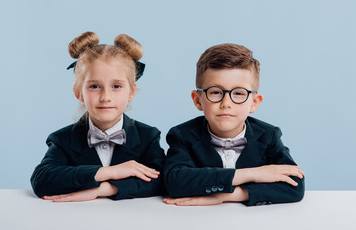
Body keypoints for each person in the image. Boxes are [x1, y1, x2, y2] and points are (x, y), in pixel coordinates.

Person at [163, 43, 305, 206]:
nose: (226, 103)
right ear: (197, 100)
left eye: (238, 93)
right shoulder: (182, 135)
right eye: (216, 92)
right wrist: (252, 174)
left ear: (254, 102)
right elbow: (176, 181)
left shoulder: (268, 135)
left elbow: (295, 185)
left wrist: (226, 196)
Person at [31, 32, 165, 202]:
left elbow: (163, 180)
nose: (105, 97)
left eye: (116, 86)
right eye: (94, 86)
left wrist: (105, 189)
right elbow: (41, 179)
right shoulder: (63, 139)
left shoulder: (148, 136)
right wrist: (109, 172)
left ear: (131, 91)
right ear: (78, 92)